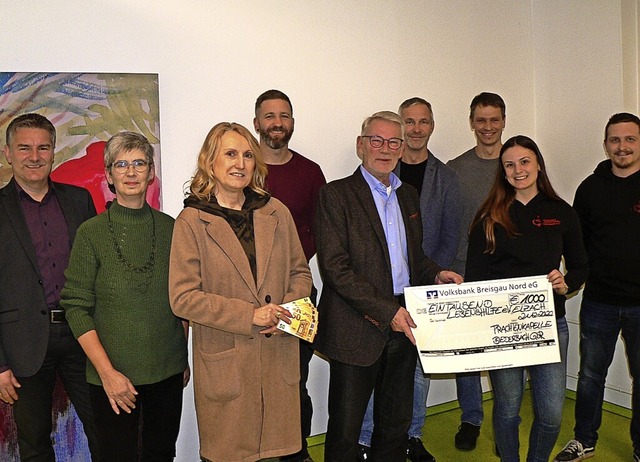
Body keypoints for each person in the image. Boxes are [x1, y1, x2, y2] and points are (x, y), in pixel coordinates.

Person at [314, 110, 463, 462]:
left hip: (405, 323)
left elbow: (415, 259)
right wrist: (389, 311)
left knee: (395, 425)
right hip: (356, 327)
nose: (385, 148)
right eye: (376, 140)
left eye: (393, 141)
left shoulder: (408, 195)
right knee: (346, 432)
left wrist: (437, 273)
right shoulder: (335, 196)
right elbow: (336, 270)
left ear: (401, 148)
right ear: (360, 146)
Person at [169, 122, 312, 462]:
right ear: (210, 162)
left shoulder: (276, 211)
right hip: (227, 361)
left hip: (277, 351)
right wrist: (248, 315)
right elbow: (183, 297)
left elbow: (300, 272)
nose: (240, 163)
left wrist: (286, 314)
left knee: (278, 451)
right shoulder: (191, 220)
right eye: (230, 154)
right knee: (229, 453)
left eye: (248, 155)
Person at [60, 132, 189, 461]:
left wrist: (182, 356)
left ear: (151, 172)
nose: (131, 172)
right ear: (109, 175)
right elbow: (76, 308)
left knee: (161, 455)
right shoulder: (91, 233)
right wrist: (108, 374)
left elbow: (183, 297)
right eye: (121, 164)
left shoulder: (173, 228)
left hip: (168, 373)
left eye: (139, 163)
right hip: (112, 379)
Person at [465, 135, 588, 462]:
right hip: (503, 329)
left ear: (537, 165)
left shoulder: (561, 212)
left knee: (550, 414)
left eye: (524, 162)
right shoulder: (489, 216)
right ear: (503, 173)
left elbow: (580, 265)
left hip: (550, 326)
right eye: (509, 165)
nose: (518, 170)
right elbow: (475, 276)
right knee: (507, 409)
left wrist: (566, 283)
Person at [358, 98, 461, 462]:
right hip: (379, 296)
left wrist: (433, 277)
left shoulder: (444, 177)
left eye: (423, 122)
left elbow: (450, 234)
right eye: (409, 122)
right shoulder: (376, 177)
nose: (416, 129)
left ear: (431, 126)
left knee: (417, 372)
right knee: (375, 369)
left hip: (425, 291)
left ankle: (411, 436)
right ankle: (368, 438)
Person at [0, 113, 99, 461]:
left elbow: (98, 274)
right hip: (22, 344)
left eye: (43, 147)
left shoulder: (79, 200)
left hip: (82, 336)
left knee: (105, 429)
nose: (34, 156)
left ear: (54, 151)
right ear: (8, 153)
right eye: (24, 148)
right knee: (35, 445)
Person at [553, 112, 640, 462]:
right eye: (615, 140)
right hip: (600, 301)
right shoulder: (589, 189)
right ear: (605, 145)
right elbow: (578, 249)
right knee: (589, 375)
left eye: (630, 139)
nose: (622, 147)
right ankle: (583, 440)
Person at [253, 89, 326, 462]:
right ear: (256, 124)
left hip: (299, 292)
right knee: (254, 382)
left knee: (295, 378)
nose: (277, 123)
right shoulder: (244, 171)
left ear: (292, 123)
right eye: (269, 116)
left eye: (283, 116)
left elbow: (320, 231)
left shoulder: (311, 172)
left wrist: (292, 272)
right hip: (249, 297)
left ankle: (297, 451)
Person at [446, 92, 506, 450]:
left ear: (503, 121)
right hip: (463, 274)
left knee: (502, 357)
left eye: (494, 119)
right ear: (472, 123)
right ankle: (471, 418)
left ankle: (504, 422)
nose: (487, 127)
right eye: (481, 120)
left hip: (504, 278)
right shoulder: (455, 169)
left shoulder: (516, 163)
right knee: (466, 357)